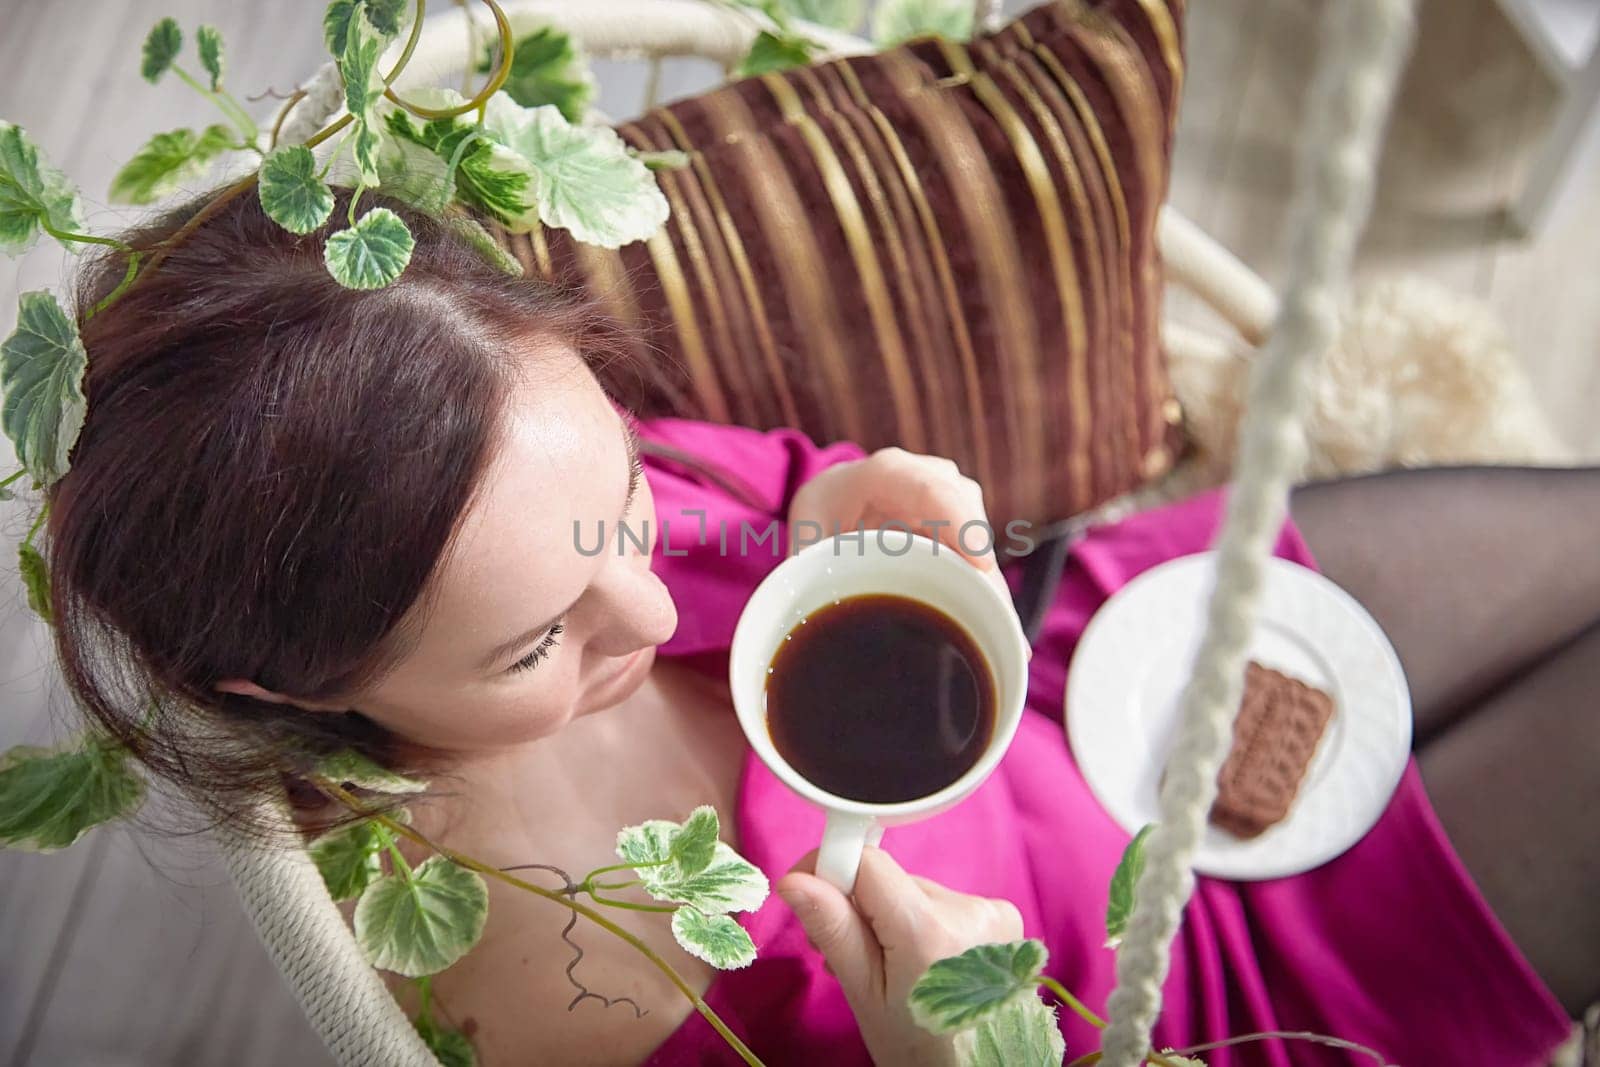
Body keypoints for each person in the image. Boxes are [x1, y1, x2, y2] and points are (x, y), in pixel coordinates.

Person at [45, 188, 1592, 1067]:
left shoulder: (523, 462)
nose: (655, 613)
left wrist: (842, 495)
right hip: (1189, 997)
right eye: (531, 647)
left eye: (627, 519)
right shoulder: (535, 982)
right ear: (293, 686)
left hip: (1095, 665)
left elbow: (758, 504)